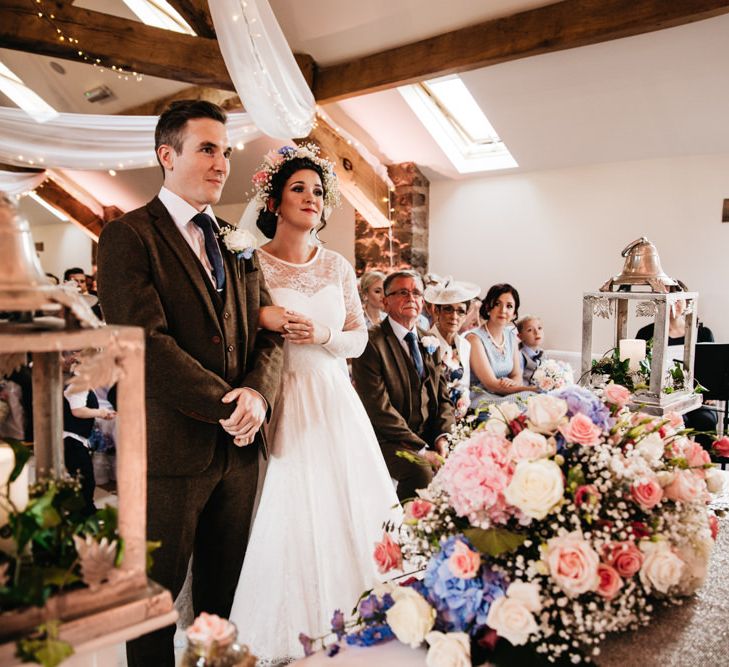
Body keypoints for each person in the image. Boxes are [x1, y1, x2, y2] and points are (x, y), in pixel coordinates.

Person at [97, 100, 284, 667]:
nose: (222, 163)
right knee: (153, 603)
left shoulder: (237, 238)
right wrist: (228, 403)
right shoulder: (129, 236)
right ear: (166, 154)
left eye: (225, 151)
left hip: (241, 450)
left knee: (221, 602)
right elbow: (144, 343)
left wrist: (257, 394)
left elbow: (268, 331)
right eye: (207, 148)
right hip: (170, 451)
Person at [228, 145, 400, 663]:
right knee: (290, 506)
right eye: (298, 188)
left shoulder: (338, 265)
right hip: (282, 396)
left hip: (333, 397)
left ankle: (362, 611)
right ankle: (292, 621)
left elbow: (357, 339)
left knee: (349, 501)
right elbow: (236, 325)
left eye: (318, 191)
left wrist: (322, 331)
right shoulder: (251, 262)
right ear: (275, 200)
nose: (310, 197)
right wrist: (268, 320)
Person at [352, 270, 455, 502]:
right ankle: (405, 532)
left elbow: (444, 398)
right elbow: (378, 408)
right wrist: (421, 450)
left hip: (428, 435)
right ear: (385, 301)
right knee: (420, 470)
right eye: (402, 292)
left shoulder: (430, 341)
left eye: (417, 293)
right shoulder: (370, 342)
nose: (411, 298)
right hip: (386, 439)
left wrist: (442, 437)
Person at [635, 297, 716, 448]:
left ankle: (702, 465)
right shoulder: (646, 333)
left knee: (706, 420)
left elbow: (710, 369)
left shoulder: (703, 333)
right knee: (676, 422)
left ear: (687, 303)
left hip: (696, 399)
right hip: (663, 401)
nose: (675, 304)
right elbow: (638, 370)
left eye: (679, 299)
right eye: (670, 300)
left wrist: (710, 393)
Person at [467, 283, 536, 411]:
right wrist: (532, 388)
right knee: (530, 398)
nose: (503, 310)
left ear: (514, 314)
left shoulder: (511, 336)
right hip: (482, 397)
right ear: (488, 307)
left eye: (509, 306)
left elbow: (516, 375)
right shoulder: (474, 339)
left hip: (505, 394)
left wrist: (513, 383)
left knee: (535, 401)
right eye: (498, 304)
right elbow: (491, 385)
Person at [62, 351, 115, 515]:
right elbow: (77, 411)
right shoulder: (80, 384)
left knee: (82, 478)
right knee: (85, 479)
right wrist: (100, 413)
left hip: (72, 437)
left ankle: (85, 509)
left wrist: (103, 413)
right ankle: (84, 513)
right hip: (72, 438)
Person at [424, 278, 480, 419]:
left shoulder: (465, 345)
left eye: (460, 311)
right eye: (448, 309)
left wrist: (463, 404)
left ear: (466, 315)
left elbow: (464, 386)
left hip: (459, 412)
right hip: (433, 414)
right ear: (437, 311)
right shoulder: (425, 342)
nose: (454, 316)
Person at [516, 315, 545, 386]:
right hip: (525, 390)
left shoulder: (542, 353)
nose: (537, 332)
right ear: (520, 336)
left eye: (539, 328)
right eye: (530, 330)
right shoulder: (519, 356)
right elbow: (517, 381)